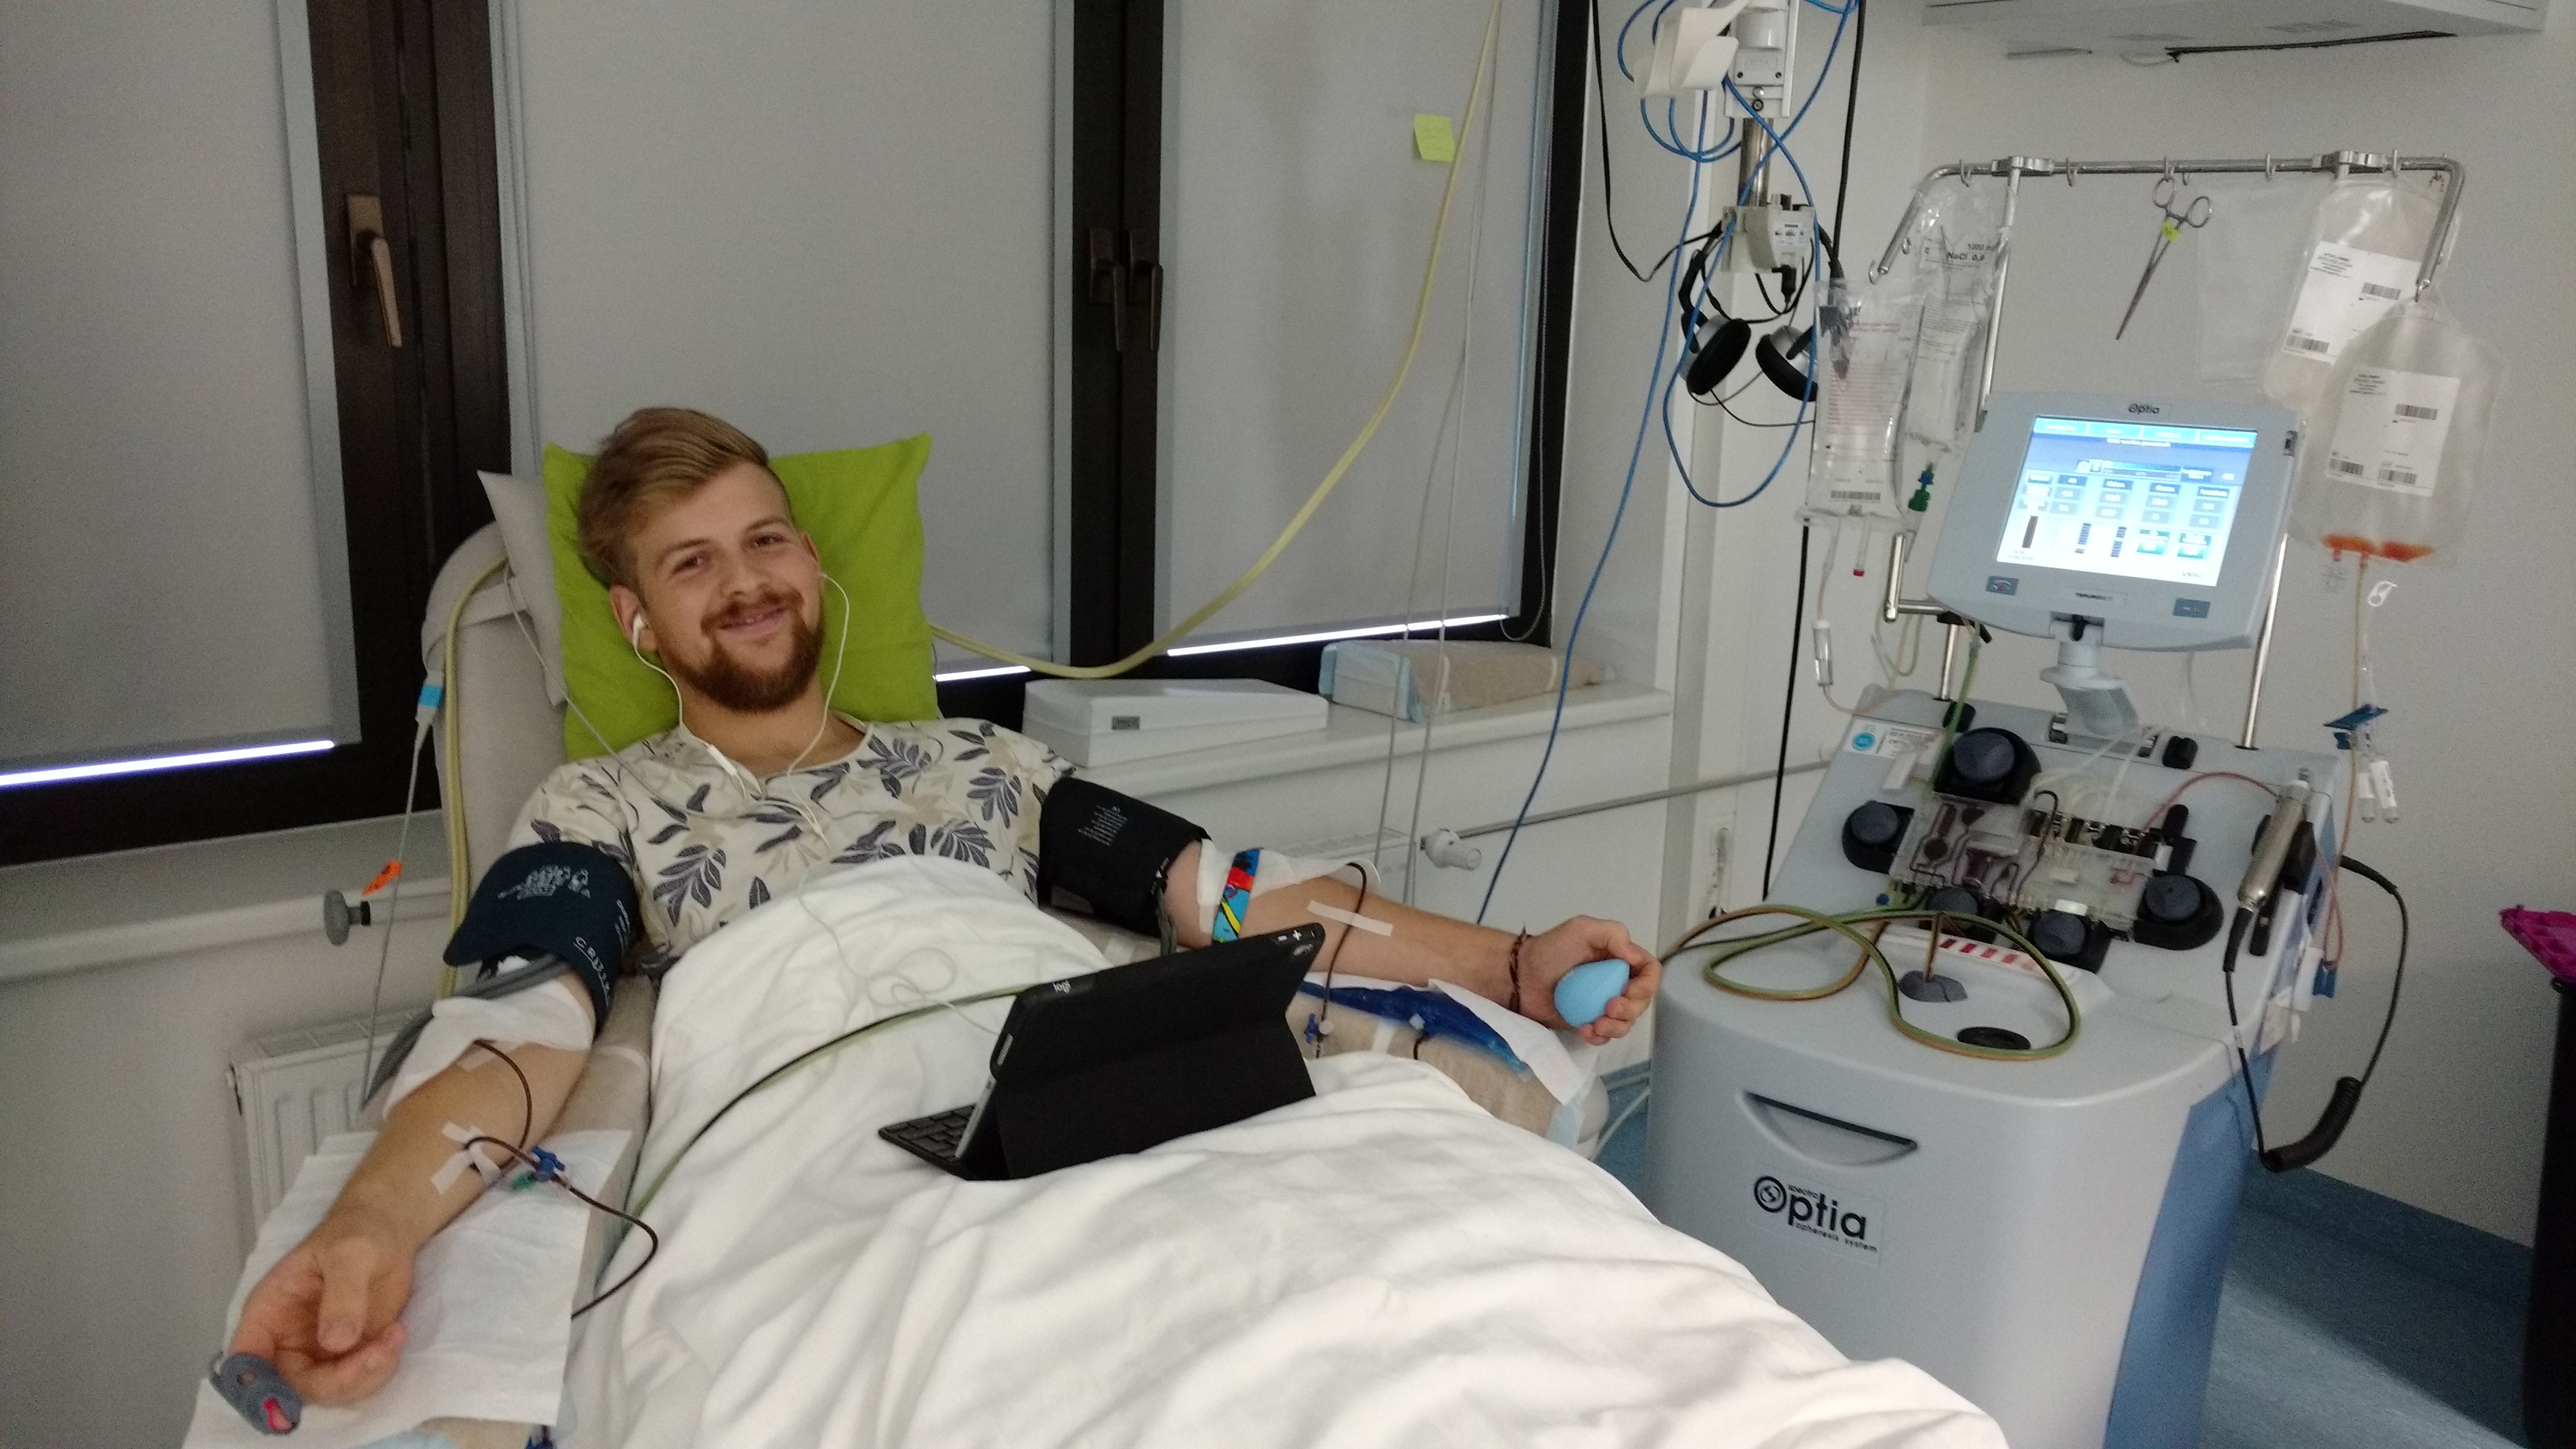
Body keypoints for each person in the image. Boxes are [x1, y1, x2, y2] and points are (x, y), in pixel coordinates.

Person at [227, 407, 1663, 1405]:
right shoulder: (597, 808)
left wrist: (1512, 962)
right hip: (827, 1144)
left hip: (1092, 1087)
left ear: (813, 563)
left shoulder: (982, 764)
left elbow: (1230, 893)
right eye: (692, 562)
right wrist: (374, 1225)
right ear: (634, 620)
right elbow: (518, 1030)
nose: (747, 584)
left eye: (767, 541)